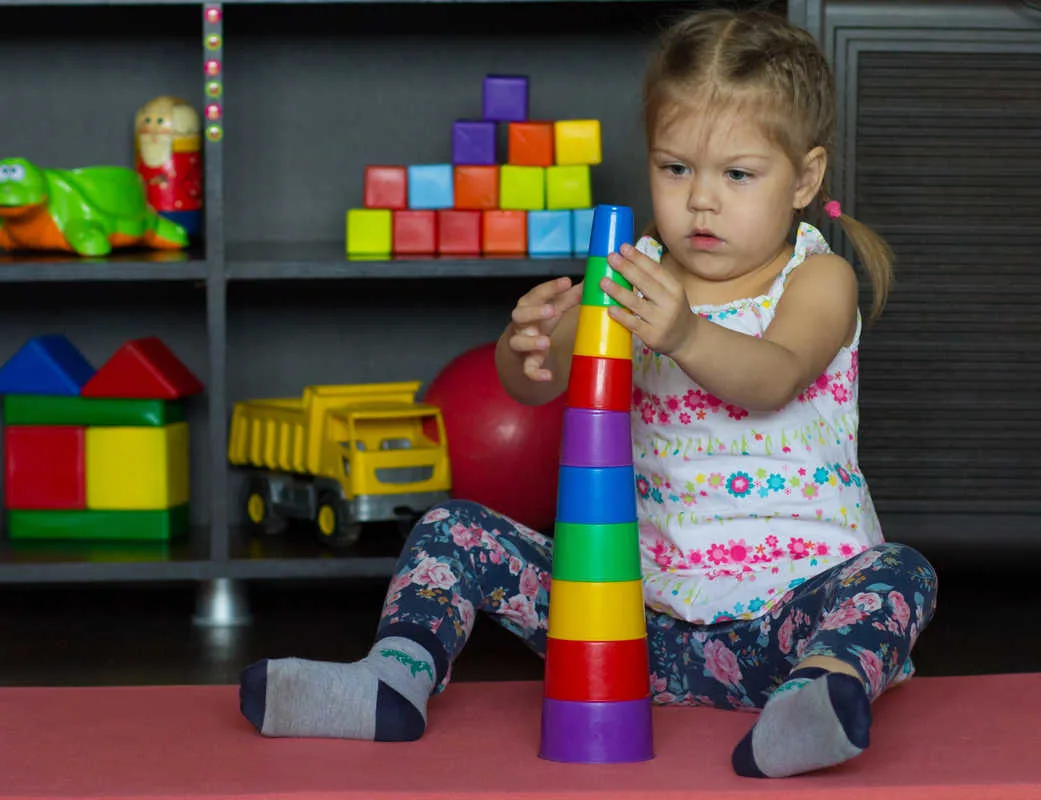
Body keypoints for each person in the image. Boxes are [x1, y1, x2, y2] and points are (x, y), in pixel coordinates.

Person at [238, 7, 938, 779]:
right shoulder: (635, 273)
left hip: (787, 622)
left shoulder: (819, 277)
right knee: (449, 529)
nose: (701, 201)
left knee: (901, 573)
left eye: (737, 175)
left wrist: (685, 335)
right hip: (626, 630)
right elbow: (531, 388)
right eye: (676, 169)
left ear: (804, 177)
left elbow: (775, 375)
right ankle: (391, 680)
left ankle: (817, 700)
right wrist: (526, 344)